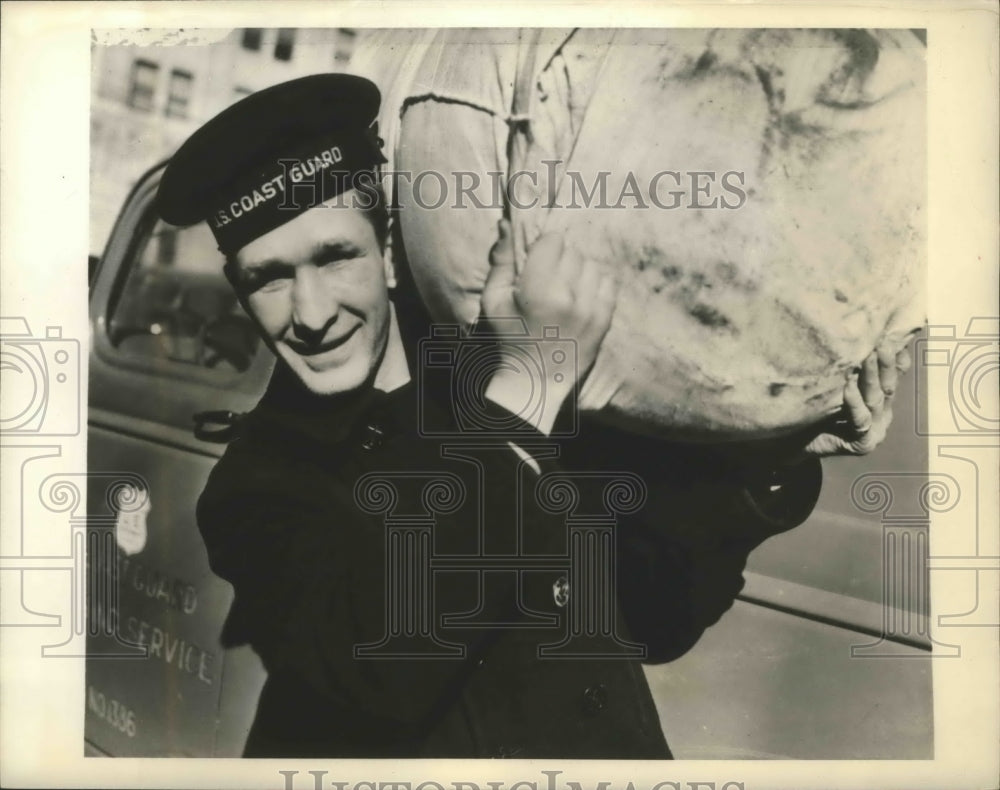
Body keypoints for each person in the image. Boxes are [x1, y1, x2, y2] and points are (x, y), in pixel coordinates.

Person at [156, 74, 907, 759]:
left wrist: (767, 454)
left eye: (333, 257)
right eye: (269, 279)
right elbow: (383, 667)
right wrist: (525, 403)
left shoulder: (504, 372)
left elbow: (656, 617)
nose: (311, 312)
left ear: (386, 248)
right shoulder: (257, 488)